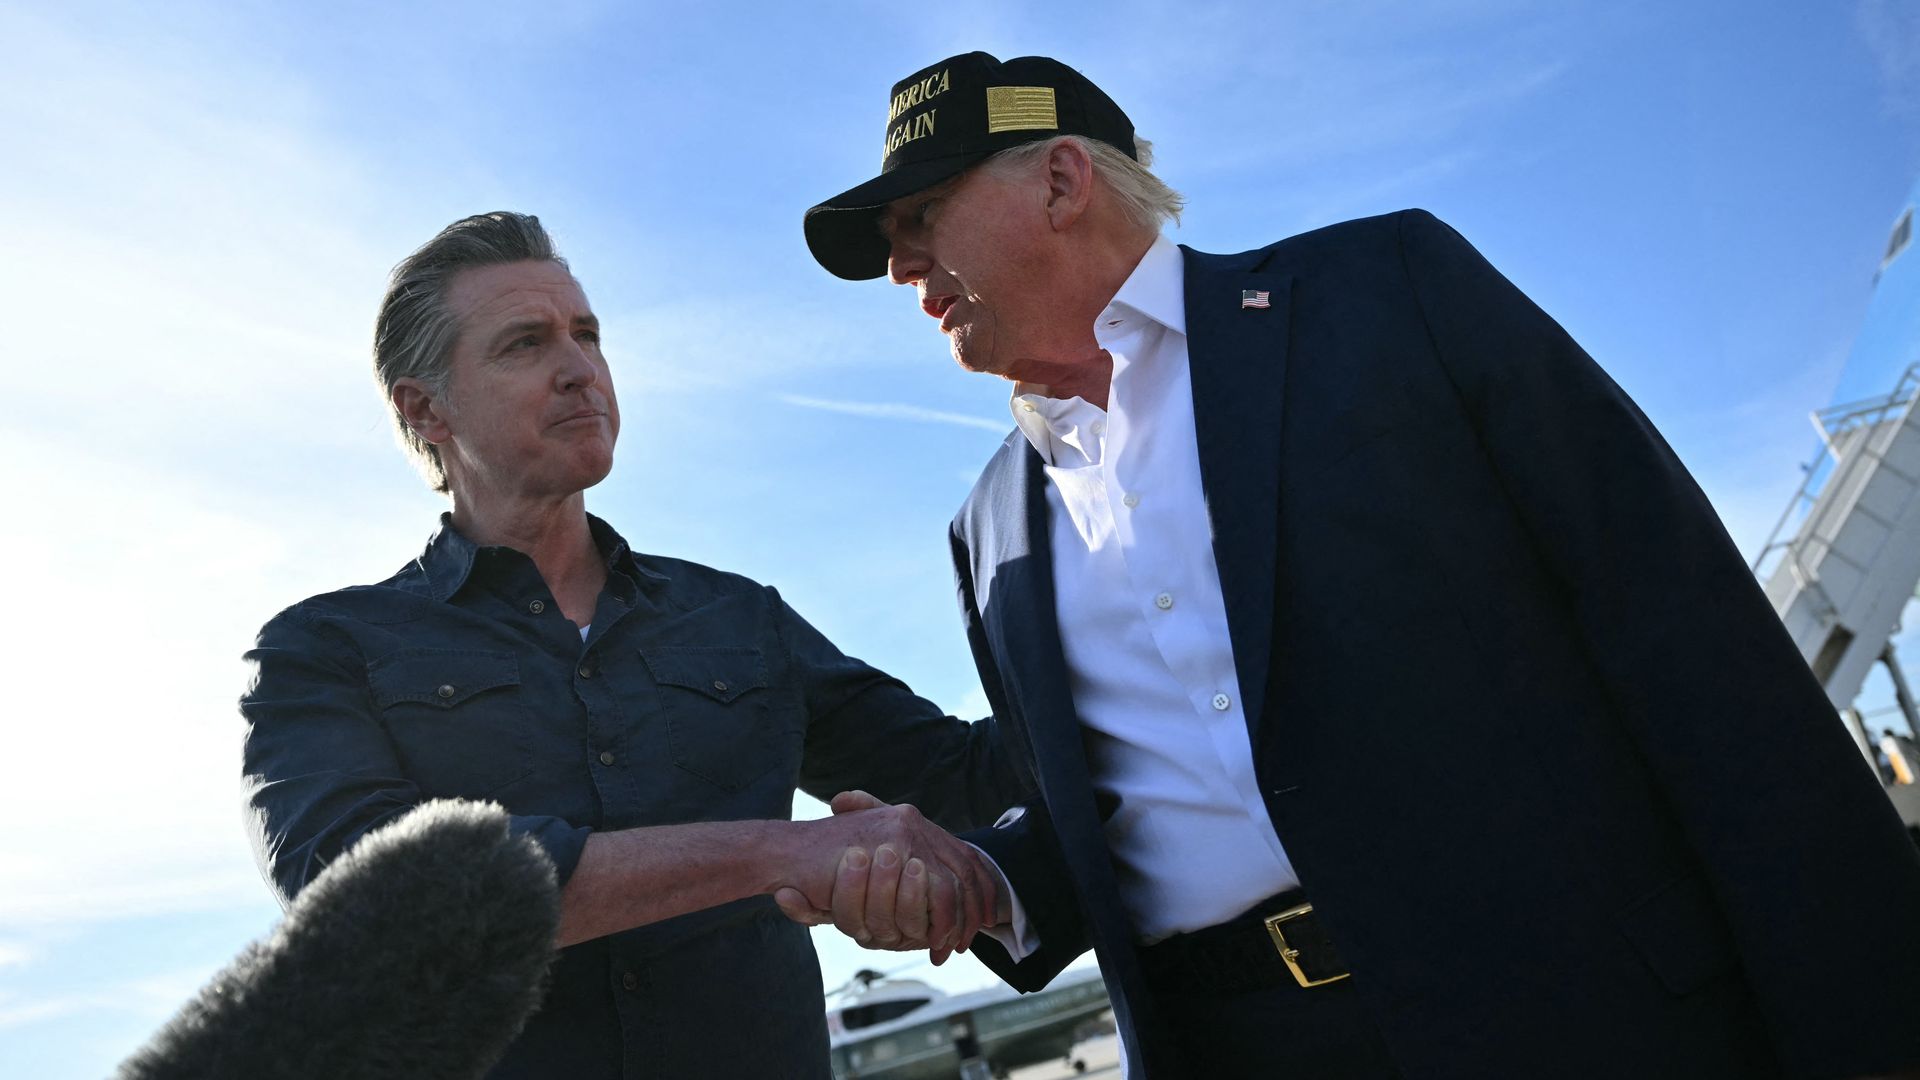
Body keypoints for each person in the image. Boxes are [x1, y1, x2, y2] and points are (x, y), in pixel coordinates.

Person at [800, 51, 1920, 1079]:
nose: (900, 265)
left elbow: (1696, 651)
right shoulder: (986, 524)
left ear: (1059, 182)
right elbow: (1107, 809)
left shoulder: (1386, 295)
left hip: (1575, 1011)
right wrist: (981, 884)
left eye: (923, 213)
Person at [240, 211, 1021, 1079]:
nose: (579, 371)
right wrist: (785, 850)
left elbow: (970, 781)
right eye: (525, 345)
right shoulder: (325, 650)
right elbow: (376, 901)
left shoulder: (740, 618)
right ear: (426, 409)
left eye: (588, 336)